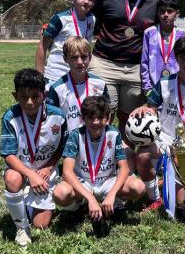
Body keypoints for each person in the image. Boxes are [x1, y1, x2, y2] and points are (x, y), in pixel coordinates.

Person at [130, 37, 185, 212]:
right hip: (164, 140)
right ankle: (155, 197)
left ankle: (171, 184)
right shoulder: (164, 83)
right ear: (176, 57)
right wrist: (143, 110)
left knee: (179, 203)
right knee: (142, 155)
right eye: (182, 58)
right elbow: (151, 107)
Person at [53, 96, 145, 233]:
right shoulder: (75, 135)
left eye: (100, 118)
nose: (95, 122)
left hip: (107, 182)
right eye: (90, 118)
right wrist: (90, 197)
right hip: (83, 183)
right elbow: (67, 172)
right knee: (60, 193)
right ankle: (77, 209)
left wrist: (112, 194)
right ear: (83, 119)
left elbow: (124, 168)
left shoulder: (113, 133)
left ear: (107, 118)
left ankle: (115, 205)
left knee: (138, 187)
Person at [0, 68, 68, 246]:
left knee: (41, 225)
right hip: (22, 170)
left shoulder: (58, 116)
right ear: (15, 96)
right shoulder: (10, 117)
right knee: (12, 178)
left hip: (46, 171)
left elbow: (62, 147)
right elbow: (8, 154)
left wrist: (48, 167)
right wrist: (31, 175)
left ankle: (30, 201)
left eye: (35, 97)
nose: (30, 102)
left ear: (44, 95)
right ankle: (21, 228)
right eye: (23, 97)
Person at [89, 0, 158, 126]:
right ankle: (100, 152)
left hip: (135, 69)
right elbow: (90, 21)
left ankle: (123, 152)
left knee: (129, 120)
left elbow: (162, 30)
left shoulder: (154, 4)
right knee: (103, 114)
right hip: (104, 64)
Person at [35, 0, 96, 87]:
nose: (86, 1)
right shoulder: (60, 19)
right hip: (56, 76)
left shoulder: (92, 19)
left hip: (78, 75)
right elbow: (42, 46)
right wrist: (39, 76)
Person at [47, 37, 108, 132]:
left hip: (94, 140)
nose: (80, 62)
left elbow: (106, 113)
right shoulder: (57, 89)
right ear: (65, 59)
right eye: (74, 57)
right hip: (68, 142)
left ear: (90, 57)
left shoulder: (100, 84)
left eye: (84, 57)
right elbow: (51, 120)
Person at [141, 0, 185, 93]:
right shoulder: (149, 33)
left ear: (177, 14)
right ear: (158, 13)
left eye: (170, 11)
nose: (166, 14)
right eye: (162, 11)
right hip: (154, 88)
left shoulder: (182, 34)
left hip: (176, 87)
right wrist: (147, 88)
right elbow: (144, 62)